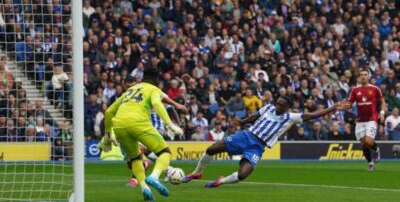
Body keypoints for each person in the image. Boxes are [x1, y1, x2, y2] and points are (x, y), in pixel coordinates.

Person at [182, 96, 345, 187]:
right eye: (277, 103)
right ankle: (197, 173)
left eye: (281, 105)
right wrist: (242, 121)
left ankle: (221, 181)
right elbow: (255, 116)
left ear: (286, 107)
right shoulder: (268, 108)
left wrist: (332, 108)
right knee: (212, 149)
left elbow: (311, 115)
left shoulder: (291, 117)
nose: (277, 106)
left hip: (258, 147)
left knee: (243, 174)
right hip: (246, 135)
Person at [102, 68, 184, 201]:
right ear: (157, 81)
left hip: (119, 126)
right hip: (139, 123)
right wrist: (170, 125)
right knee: (165, 153)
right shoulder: (153, 89)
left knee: (135, 159)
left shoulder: (129, 90)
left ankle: (144, 187)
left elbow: (109, 112)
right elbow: (157, 103)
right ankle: (154, 177)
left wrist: (107, 134)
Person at [346, 68, 387, 170]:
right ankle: (370, 163)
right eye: (361, 75)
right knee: (363, 144)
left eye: (365, 74)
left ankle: (376, 150)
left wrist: (382, 113)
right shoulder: (355, 90)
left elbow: (382, 101)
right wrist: (346, 105)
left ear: (368, 76)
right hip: (360, 120)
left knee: (369, 141)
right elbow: (349, 103)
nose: (363, 76)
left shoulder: (375, 89)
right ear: (359, 77)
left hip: (371, 119)